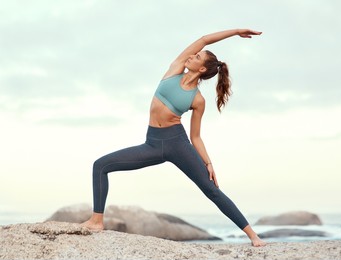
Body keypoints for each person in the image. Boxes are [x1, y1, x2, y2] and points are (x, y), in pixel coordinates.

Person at [81, 28, 266, 247]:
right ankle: (96, 220)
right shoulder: (176, 68)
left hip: (177, 144)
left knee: (211, 190)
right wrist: (235, 32)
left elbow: (196, 137)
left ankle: (253, 236)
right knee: (100, 165)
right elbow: (204, 39)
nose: (191, 56)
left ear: (203, 68)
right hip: (152, 144)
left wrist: (208, 163)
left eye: (197, 57)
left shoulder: (198, 100)